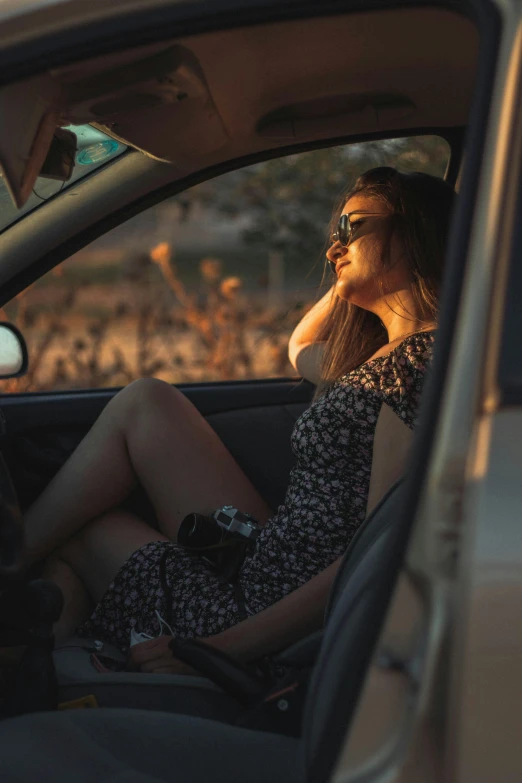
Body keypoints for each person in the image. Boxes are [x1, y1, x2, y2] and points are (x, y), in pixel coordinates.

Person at [21, 166, 454, 675]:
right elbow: (299, 348)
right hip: (266, 562)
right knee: (147, 401)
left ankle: (38, 677)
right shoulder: (382, 361)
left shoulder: (416, 369)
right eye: (332, 235)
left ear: (415, 230)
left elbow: (379, 555)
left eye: (351, 228)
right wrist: (347, 275)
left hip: (263, 615)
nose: (333, 247)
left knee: (82, 538)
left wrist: (219, 651)